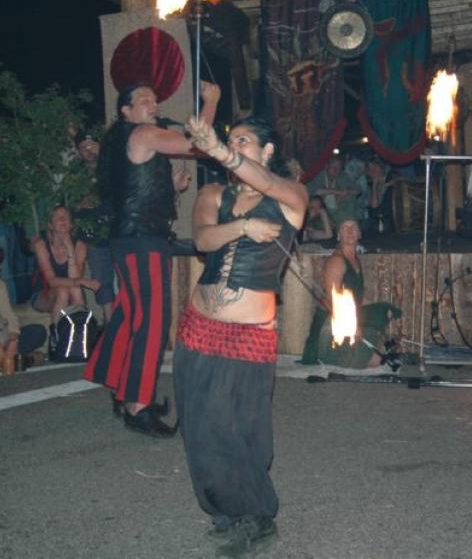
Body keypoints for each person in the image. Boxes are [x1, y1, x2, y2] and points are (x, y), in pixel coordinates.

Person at [173, 114, 308, 557]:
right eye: (229, 141)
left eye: (243, 141)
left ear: (267, 151)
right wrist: (244, 227)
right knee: (200, 426)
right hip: (199, 327)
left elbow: (264, 182)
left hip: (248, 334)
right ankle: (226, 511)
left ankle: (257, 516)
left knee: (238, 426)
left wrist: (217, 149)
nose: (233, 146)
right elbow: (204, 240)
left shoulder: (291, 196)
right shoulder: (213, 194)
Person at [83, 81, 220, 437]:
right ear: (125, 111)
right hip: (142, 241)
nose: (152, 102)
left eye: (154, 98)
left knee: (131, 312)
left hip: (132, 238)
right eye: (142, 98)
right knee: (153, 320)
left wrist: (170, 186)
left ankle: (121, 386)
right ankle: (137, 404)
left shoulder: (125, 139)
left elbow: (133, 189)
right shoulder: (143, 133)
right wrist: (211, 101)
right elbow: (198, 144)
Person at [300, 215, 401, 368]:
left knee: (383, 310)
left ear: (359, 233)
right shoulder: (337, 261)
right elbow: (331, 301)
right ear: (339, 234)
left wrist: (382, 307)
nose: (349, 231)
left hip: (349, 316)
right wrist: (352, 325)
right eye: (345, 228)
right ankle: (332, 354)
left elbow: (358, 298)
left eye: (353, 227)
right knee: (376, 361)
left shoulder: (355, 260)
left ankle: (372, 345)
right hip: (331, 325)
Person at [73, 130, 115, 323]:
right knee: (101, 279)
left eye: (92, 145)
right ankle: (109, 322)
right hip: (92, 235)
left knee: (126, 278)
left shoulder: (112, 169)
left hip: (116, 230)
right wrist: (79, 204)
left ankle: (126, 322)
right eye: (84, 147)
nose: (89, 150)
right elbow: (68, 205)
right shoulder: (75, 175)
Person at [32, 205, 100, 322]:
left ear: (71, 225)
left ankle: (81, 329)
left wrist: (70, 248)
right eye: (58, 217)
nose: (63, 219)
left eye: (66, 217)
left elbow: (75, 277)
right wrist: (82, 281)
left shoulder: (80, 246)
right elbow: (51, 281)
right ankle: (56, 331)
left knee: (74, 290)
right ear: (50, 225)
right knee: (63, 291)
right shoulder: (41, 245)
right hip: (45, 294)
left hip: (73, 292)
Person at [1, 275, 47, 374]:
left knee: (38, 331)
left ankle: (13, 358)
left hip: (3, 335)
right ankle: (25, 360)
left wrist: (14, 338)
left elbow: (9, 315)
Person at [307, 155, 361, 225]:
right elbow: (312, 190)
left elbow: (358, 190)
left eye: (339, 168)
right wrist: (338, 192)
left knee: (350, 198)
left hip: (339, 211)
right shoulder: (319, 175)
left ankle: (348, 225)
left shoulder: (343, 176)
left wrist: (346, 191)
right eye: (334, 168)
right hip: (322, 213)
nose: (336, 171)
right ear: (327, 166)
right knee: (315, 202)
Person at [363, 156, 396, 235]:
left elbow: (402, 180)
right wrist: (374, 186)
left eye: (375, 168)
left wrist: (386, 185)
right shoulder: (370, 185)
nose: (373, 172)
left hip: (392, 217)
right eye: (370, 170)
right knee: (364, 226)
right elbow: (374, 206)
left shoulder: (391, 176)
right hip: (377, 219)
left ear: (381, 167)